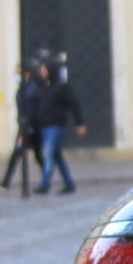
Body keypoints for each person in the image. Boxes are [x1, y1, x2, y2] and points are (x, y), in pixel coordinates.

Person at [31, 60, 85, 195]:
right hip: (43, 126)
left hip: (56, 125)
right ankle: (69, 183)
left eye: (44, 69)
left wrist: (80, 123)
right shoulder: (42, 87)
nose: (41, 72)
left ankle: (45, 184)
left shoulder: (61, 87)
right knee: (57, 156)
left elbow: (74, 105)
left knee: (48, 153)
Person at [0, 62, 44, 196]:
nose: (16, 75)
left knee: (22, 154)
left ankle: (6, 183)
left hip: (29, 127)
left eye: (18, 73)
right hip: (25, 125)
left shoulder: (31, 88)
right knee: (33, 155)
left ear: (26, 74)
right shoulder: (24, 87)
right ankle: (6, 182)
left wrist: (28, 123)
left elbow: (31, 108)